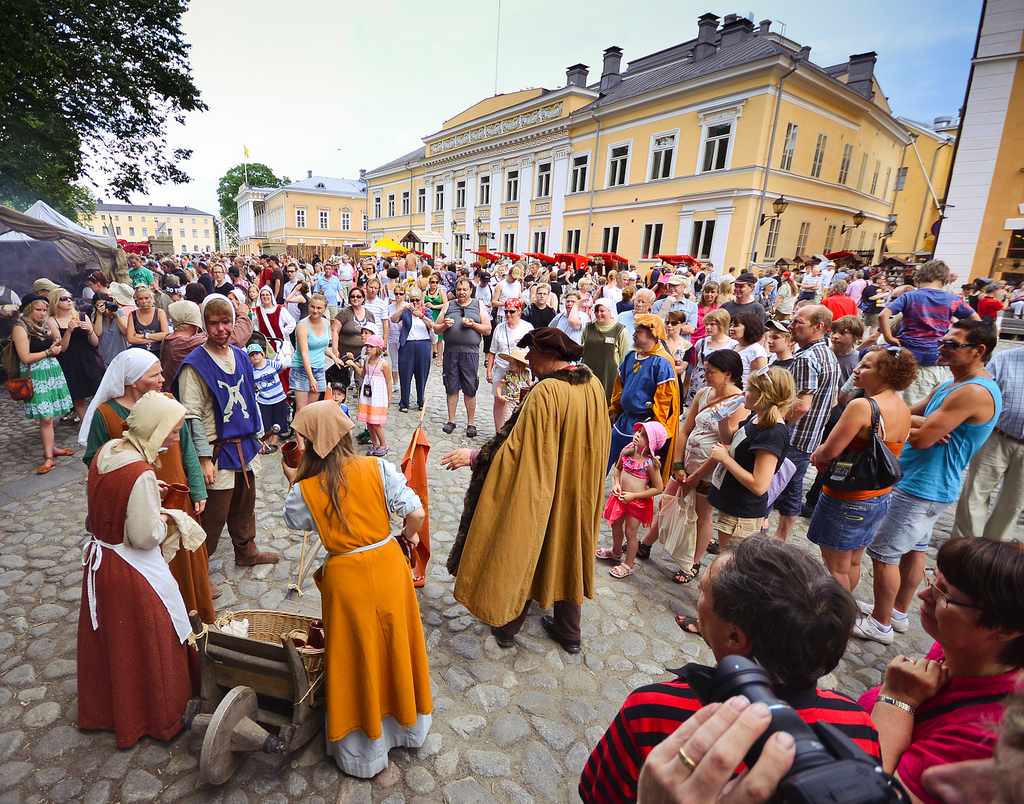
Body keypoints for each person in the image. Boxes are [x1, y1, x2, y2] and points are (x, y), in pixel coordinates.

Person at [580, 537, 880, 802]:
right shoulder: (857, 726)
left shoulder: (653, 710)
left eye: (703, 592)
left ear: (734, 637)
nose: (698, 603)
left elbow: (599, 794)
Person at [280, 402, 431, 777]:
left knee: (356, 655)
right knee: (396, 643)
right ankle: (406, 727)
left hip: (347, 579)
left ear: (312, 444)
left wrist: (297, 478)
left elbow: (295, 518)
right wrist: (407, 539)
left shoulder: (307, 490)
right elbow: (417, 513)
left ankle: (364, 748)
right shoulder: (377, 467)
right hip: (388, 566)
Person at [441, 328, 610, 653]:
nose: (528, 360)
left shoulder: (546, 393)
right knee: (568, 548)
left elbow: (515, 449)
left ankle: (507, 626)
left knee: (527, 545)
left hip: (545, 489)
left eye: (532, 353)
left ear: (550, 356)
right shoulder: (592, 385)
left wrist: (475, 456)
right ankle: (569, 633)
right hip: (575, 488)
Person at [856, 320, 1001, 645]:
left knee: (884, 553)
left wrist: (905, 428)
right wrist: (919, 425)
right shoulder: (952, 384)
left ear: (979, 351)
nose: (942, 347)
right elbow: (907, 414)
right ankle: (896, 611)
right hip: (925, 482)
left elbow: (918, 438)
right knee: (914, 551)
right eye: (944, 341)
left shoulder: (973, 392)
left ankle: (880, 623)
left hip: (923, 485)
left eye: (952, 344)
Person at [859, 538, 1024, 803]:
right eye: (932, 580)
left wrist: (896, 700)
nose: (924, 596)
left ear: (1005, 629)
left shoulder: (985, 734)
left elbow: (870, 794)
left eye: (944, 593)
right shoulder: (958, 650)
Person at [77, 391, 198, 749]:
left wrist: (146, 495)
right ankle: (157, 716)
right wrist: (165, 516)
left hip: (102, 566)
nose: (175, 438)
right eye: (172, 431)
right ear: (154, 428)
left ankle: (110, 711)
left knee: (115, 641)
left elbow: (111, 497)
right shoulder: (140, 473)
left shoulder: (108, 451)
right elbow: (144, 537)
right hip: (132, 569)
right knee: (151, 642)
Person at [79, 349, 214, 622]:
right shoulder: (106, 414)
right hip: (136, 498)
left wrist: (197, 487)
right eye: (155, 374)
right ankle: (162, 617)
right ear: (133, 380)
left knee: (185, 558)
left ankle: (193, 612)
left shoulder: (168, 402)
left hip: (175, 491)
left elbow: (186, 447)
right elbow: (97, 462)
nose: (163, 378)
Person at [176, 295, 280, 567]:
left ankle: (246, 552)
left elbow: (249, 396)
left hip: (244, 445)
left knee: (245, 506)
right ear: (203, 325)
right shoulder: (195, 365)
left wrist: (257, 435)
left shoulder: (241, 356)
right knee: (213, 515)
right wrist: (203, 458)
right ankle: (197, 573)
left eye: (226, 322)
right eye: (214, 323)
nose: (221, 329)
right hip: (217, 451)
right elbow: (191, 416)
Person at [807, 347, 917, 592]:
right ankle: (845, 610)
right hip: (878, 496)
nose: (857, 369)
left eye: (866, 366)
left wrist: (818, 455)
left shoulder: (863, 406)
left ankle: (835, 619)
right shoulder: (902, 407)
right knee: (853, 561)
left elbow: (830, 451)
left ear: (885, 373)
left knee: (836, 568)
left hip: (848, 497)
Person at [640, 350, 747, 584]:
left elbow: (726, 444)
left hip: (708, 470)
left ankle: (693, 562)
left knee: (702, 516)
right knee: (667, 502)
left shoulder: (739, 403)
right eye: (705, 370)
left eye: (711, 371)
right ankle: (646, 542)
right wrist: (677, 464)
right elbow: (685, 430)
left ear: (728, 374)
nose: (706, 375)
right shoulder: (703, 393)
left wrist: (696, 475)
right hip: (686, 463)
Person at [772, 305, 841, 542]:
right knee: (792, 489)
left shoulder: (806, 357)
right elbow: (832, 401)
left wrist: (777, 423)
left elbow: (802, 405)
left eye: (799, 322)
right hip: (809, 437)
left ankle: (771, 539)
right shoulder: (828, 354)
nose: (792, 326)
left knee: (773, 488)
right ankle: (781, 539)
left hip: (794, 436)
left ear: (818, 326)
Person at [881, 260, 979, 406]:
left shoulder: (911, 296)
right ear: (944, 279)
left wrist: (889, 338)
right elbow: (976, 321)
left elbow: (883, 314)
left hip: (908, 351)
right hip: (935, 354)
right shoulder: (953, 300)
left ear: (920, 276)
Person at [953, 345, 1024, 540]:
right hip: (996, 436)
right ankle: (965, 549)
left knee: (1014, 502)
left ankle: (992, 554)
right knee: (975, 492)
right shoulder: (1005, 359)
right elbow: (982, 391)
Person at [608, 315, 680, 483]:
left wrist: (653, 430)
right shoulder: (630, 356)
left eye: (639, 331)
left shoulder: (661, 363)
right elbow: (619, 387)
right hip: (623, 421)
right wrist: (614, 409)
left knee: (633, 473)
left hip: (643, 425)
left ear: (653, 334)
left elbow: (664, 402)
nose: (635, 334)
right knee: (605, 459)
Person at [9, 293, 75, 473]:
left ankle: (52, 448)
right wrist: (49, 352)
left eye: (45, 310)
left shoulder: (44, 324)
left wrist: (61, 337)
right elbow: (25, 357)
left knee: (51, 414)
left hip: (50, 371)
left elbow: (59, 346)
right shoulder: (20, 327)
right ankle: (48, 457)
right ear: (29, 309)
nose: (42, 313)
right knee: (45, 417)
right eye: (38, 309)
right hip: (36, 375)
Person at [598, 421, 666, 579]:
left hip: (636, 503)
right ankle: (615, 551)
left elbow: (658, 488)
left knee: (630, 532)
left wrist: (634, 496)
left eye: (643, 435)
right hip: (620, 497)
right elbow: (618, 469)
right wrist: (616, 484)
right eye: (638, 432)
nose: (637, 435)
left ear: (652, 443)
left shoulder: (650, 463)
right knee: (615, 524)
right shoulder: (627, 450)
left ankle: (628, 564)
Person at [434, 277, 491, 438]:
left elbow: (487, 329)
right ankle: (451, 420)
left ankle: (471, 423)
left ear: (470, 290)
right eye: (459, 289)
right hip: (451, 352)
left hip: (470, 353)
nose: (461, 292)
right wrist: (444, 325)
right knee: (451, 387)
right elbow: (436, 329)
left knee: (470, 388)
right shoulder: (448, 305)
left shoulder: (478, 305)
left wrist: (473, 325)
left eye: (465, 289)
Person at [48, 286, 103, 422]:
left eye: (70, 298)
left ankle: (103, 423)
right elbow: (62, 348)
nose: (68, 301)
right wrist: (68, 331)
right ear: (55, 302)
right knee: (78, 399)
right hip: (70, 363)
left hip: (89, 360)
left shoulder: (82, 316)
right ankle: (87, 428)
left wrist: (90, 331)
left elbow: (95, 343)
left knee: (101, 394)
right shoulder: (52, 321)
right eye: (63, 299)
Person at [487, 297, 534, 429]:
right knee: (499, 400)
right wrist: (489, 370)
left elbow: (533, 350)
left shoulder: (527, 327)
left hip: (521, 369)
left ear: (519, 311)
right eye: (506, 311)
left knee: (519, 401)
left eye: (512, 311)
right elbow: (492, 351)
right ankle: (498, 432)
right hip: (501, 368)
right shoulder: (499, 328)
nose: (508, 314)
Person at [347, 333, 392, 457]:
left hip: (377, 396)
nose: (368, 349)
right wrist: (354, 365)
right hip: (367, 396)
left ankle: (383, 445)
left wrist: (389, 398)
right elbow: (362, 374)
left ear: (378, 348)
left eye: (371, 347)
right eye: (367, 346)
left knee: (376, 423)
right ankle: (375, 443)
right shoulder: (367, 361)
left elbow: (389, 381)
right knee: (369, 421)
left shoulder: (384, 364)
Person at [391, 286, 433, 413]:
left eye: (417, 300)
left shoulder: (427, 311)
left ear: (422, 300)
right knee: (405, 374)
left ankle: (421, 400)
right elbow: (393, 319)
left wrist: (421, 316)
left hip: (423, 344)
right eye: (412, 300)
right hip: (407, 344)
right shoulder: (406, 311)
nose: (415, 303)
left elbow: (432, 325)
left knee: (422, 374)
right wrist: (403, 307)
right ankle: (404, 401)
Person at [581, 299, 631, 401]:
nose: (598, 314)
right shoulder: (587, 328)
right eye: (596, 311)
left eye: (602, 311)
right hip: (588, 375)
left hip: (609, 378)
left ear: (610, 311)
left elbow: (625, 359)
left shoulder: (620, 331)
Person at [291, 293, 333, 413]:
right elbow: (304, 353)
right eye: (312, 307)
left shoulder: (326, 323)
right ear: (308, 306)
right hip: (302, 369)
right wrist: (311, 378)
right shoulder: (302, 326)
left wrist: (334, 357)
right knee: (301, 408)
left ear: (324, 309)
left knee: (311, 408)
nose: (315, 310)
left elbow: (323, 346)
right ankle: (298, 431)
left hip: (319, 368)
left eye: (319, 308)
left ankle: (307, 432)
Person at [684, 309, 736, 405]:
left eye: (712, 324)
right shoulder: (701, 342)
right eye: (706, 324)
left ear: (722, 324)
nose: (708, 327)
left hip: (718, 384)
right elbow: (693, 364)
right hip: (698, 383)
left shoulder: (732, 345)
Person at [246, 343, 289, 452]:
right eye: (251, 355)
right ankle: (268, 442)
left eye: (257, 354)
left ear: (263, 354)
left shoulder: (271, 364)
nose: (255, 357)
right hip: (264, 401)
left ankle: (274, 442)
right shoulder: (251, 371)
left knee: (279, 420)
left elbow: (282, 367)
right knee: (267, 423)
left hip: (279, 398)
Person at [330, 286, 376, 388]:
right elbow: (335, 331)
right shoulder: (344, 313)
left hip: (362, 353)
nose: (355, 299)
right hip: (344, 352)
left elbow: (373, 333)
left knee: (362, 380)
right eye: (353, 296)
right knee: (341, 382)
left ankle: (362, 402)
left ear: (363, 298)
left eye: (358, 296)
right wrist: (334, 348)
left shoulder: (369, 314)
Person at [126, 285, 169, 356]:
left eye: (146, 298)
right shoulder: (132, 314)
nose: (144, 301)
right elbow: (130, 339)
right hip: (139, 352)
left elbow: (165, 334)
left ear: (152, 299)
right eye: (140, 299)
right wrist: (154, 339)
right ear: (137, 301)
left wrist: (144, 335)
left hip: (159, 350)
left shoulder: (159, 313)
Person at [729, 311, 768, 386]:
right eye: (731, 325)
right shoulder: (733, 346)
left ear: (749, 327)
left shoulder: (756, 351)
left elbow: (760, 381)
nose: (731, 328)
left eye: (735, 326)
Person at [493, 347, 531, 419]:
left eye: (512, 363)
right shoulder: (508, 374)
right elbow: (499, 385)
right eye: (510, 363)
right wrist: (500, 396)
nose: (510, 365)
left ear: (520, 364)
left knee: (520, 418)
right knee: (507, 418)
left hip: (522, 401)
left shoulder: (526, 373)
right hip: (510, 400)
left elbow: (530, 384)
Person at [830, 314, 864, 384]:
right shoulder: (823, 355)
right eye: (834, 332)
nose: (835, 336)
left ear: (856, 337)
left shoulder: (860, 359)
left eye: (842, 333)